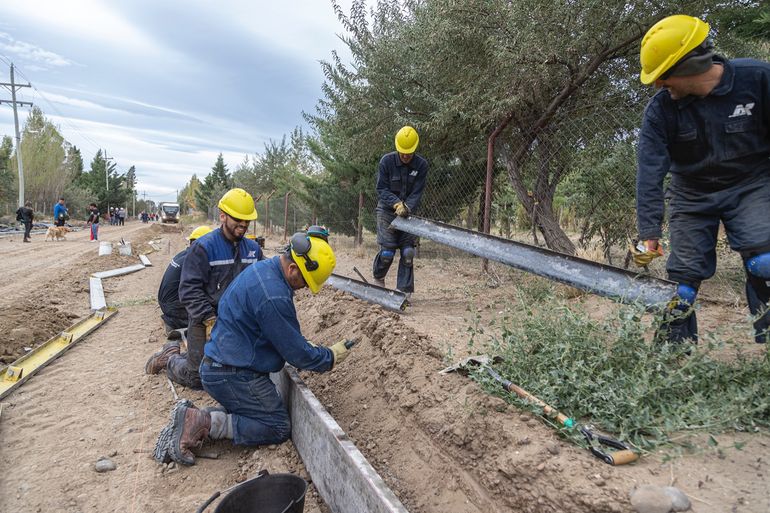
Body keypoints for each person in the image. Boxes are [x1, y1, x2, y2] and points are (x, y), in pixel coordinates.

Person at [155, 231, 352, 466]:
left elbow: (279, 333)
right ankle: (203, 421)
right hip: (232, 374)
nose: (304, 289)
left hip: (221, 364)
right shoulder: (274, 296)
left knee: (259, 410)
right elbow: (298, 356)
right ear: (292, 269)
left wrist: (296, 341)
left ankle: (195, 419)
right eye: (305, 283)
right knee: (277, 426)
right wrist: (328, 357)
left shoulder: (263, 269)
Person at [632, 14, 770, 346]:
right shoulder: (661, 111)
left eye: (663, 76)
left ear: (689, 65)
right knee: (681, 286)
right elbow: (649, 171)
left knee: (765, 262)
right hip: (692, 195)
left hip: (752, 185)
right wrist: (648, 233)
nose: (658, 85)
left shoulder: (758, 79)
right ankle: (673, 361)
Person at [146, 188, 264, 390]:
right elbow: (189, 290)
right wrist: (209, 320)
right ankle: (170, 358)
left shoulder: (253, 251)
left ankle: (190, 355)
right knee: (198, 378)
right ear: (223, 216)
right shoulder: (203, 248)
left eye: (247, 220)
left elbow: (261, 285)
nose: (243, 225)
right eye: (238, 219)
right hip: (204, 321)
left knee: (236, 374)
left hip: (237, 324)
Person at [145, 226, 213, 374]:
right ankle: (172, 355)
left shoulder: (185, 254)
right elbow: (194, 293)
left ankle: (173, 324)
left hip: (168, 305)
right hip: (174, 307)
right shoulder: (195, 260)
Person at [372, 126, 429, 295]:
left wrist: (407, 207)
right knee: (388, 251)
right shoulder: (386, 161)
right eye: (402, 152)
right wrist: (396, 204)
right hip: (386, 211)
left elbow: (417, 192)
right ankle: (378, 278)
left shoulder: (421, 165)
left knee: (408, 251)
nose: (405, 156)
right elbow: (381, 188)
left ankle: (403, 290)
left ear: (414, 149)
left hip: (409, 213)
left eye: (409, 153)